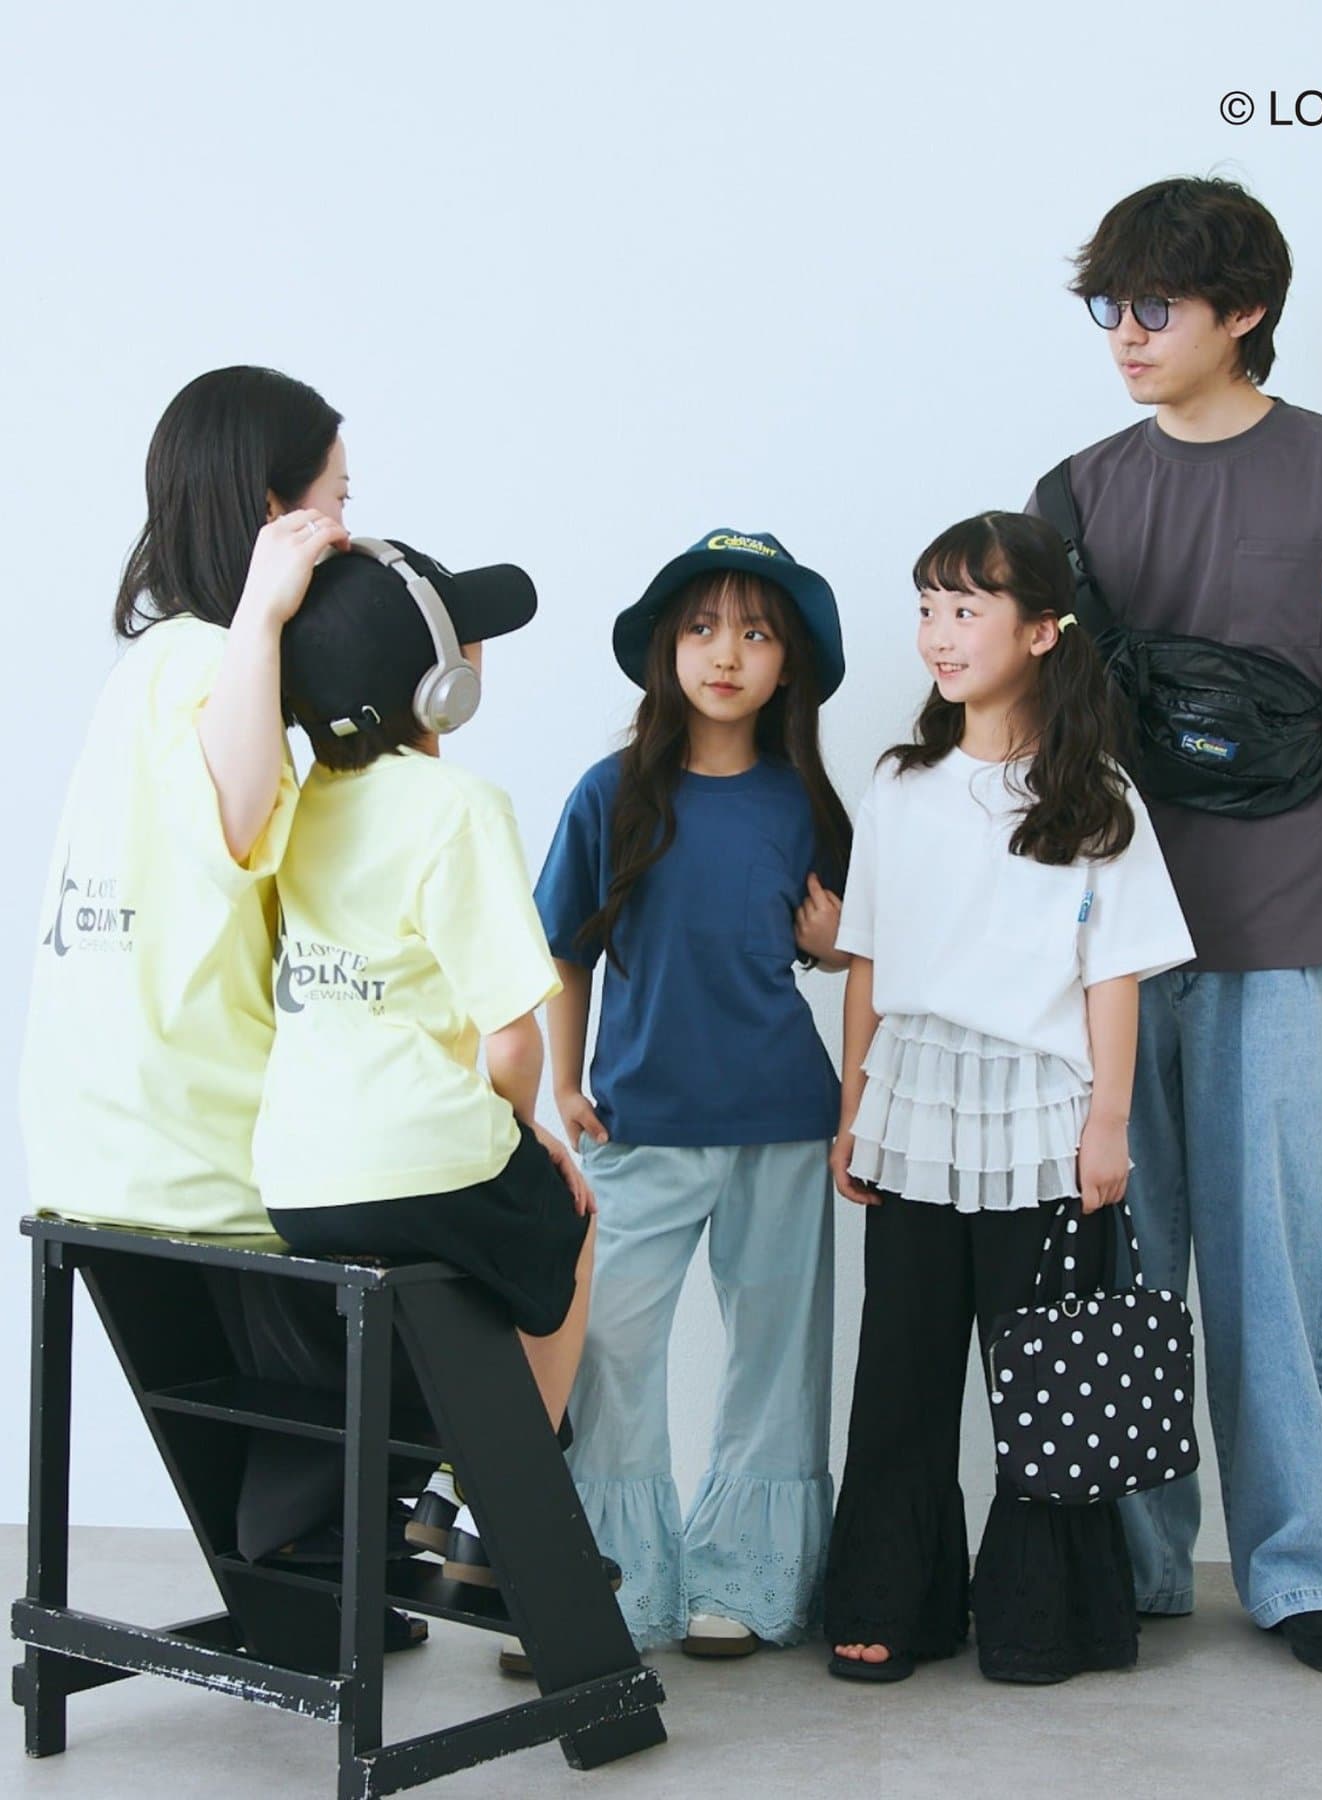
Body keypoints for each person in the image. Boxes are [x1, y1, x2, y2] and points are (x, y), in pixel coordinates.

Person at [1036, 176, 1322, 1673]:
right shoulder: (1077, 492)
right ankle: (1135, 1561)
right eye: (1107, 303)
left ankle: (1302, 1568)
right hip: (1113, 942)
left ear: (1243, 313)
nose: (1125, 333)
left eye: (1154, 304)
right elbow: (1031, 719)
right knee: (1122, 1255)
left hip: (1293, 918)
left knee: (1279, 1262)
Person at [823, 510, 1194, 1686]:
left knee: (1045, 1383)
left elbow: (1114, 974)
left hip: (1044, 1122)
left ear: (1040, 631)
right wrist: (854, 1110)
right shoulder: (900, 784)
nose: (939, 633)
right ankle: (891, 1599)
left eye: (965, 608)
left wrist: (1108, 1125)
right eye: (928, 607)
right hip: (916, 1109)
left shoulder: (1094, 796)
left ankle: (1044, 1615)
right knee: (902, 1374)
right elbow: (868, 961)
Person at [255, 537, 599, 1589]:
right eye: (467, 639)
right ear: (440, 683)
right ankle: (498, 1503)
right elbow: (513, 1033)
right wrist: (525, 1130)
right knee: (567, 1218)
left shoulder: (294, 802)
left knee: (483, 1233)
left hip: (296, 1178)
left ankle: (444, 1487)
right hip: (421, 1158)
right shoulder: (459, 806)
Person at [532, 530, 851, 1657]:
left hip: (782, 1123)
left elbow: (850, 952)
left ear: (787, 663)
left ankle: (748, 1583)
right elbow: (563, 948)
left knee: (776, 1356)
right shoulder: (610, 793)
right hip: (640, 1123)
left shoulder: (804, 802)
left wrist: (834, 940)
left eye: (756, 634)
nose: (726, 654)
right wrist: (563, 1079)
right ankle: (612, 1584)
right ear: (666, 648)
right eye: (704, 629)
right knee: (613, 1352)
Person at [20, 364, 347, 1235]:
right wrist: (265, 616)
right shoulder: (223, 664)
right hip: (207, 1172)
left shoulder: (148, 666)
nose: (346, 533)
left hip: (86, 1155)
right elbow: (232, 826)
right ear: (278, 515)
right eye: (339, 500)